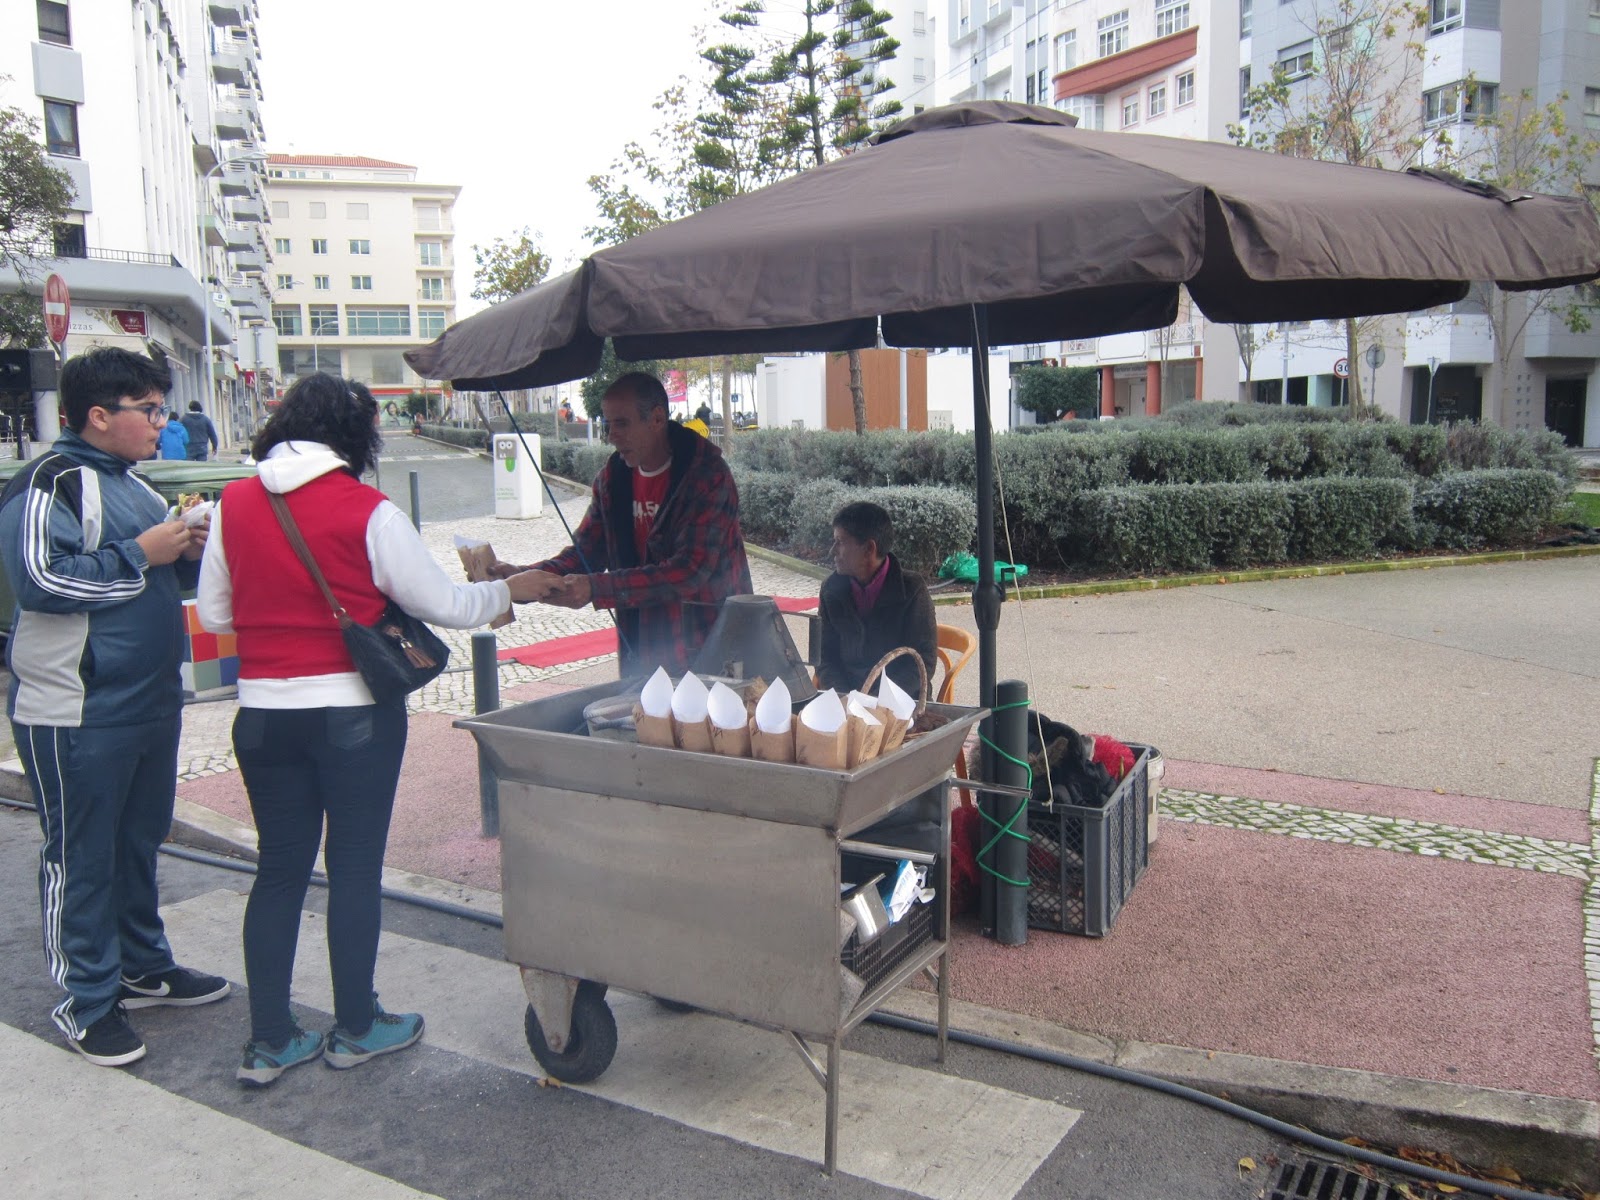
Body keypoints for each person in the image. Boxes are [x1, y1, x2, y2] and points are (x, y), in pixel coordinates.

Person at [196, 372, 555, 1087]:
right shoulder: (366, 510)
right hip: (352, 713)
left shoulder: (232, 505)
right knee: (354, 867)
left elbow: (214, 614)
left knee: (279, 869)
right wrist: (508, 589)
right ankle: (357, 1027)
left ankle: (270, 1040)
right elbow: (444, 604)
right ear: (356, 436)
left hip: (262, 716)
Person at [0, 347, 228, 1068]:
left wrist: (184, 550)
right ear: (98, 416)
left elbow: (150, 576)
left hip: (149, 701)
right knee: (81, 855)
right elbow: (41, 582)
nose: (162, 422)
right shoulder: (49, 482)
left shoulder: (134, 484)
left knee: (137, 842)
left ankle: (142, 964)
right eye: (150, 410)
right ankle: (88, 1001)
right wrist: (142, 553)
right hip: (75, 707)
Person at [493, 371, 752, 677]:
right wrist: (520, 578)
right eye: (608, 424)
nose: (611, 436)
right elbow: (586, 553)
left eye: (622, 423)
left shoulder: (706, 475)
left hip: (708, 643)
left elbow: (689, 570)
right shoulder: (612, 478)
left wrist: (594, 588)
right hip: (641, 645)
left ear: (657, 419)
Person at [816, 501, 937, 699]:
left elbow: (923, 660)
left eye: (840, 542)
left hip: (901, 702)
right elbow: (825, 658)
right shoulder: (831, 590)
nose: (832, 551)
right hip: (846, 699)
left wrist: (877, 701)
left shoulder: (912, 589)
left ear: (868, 549)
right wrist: (846, 699)